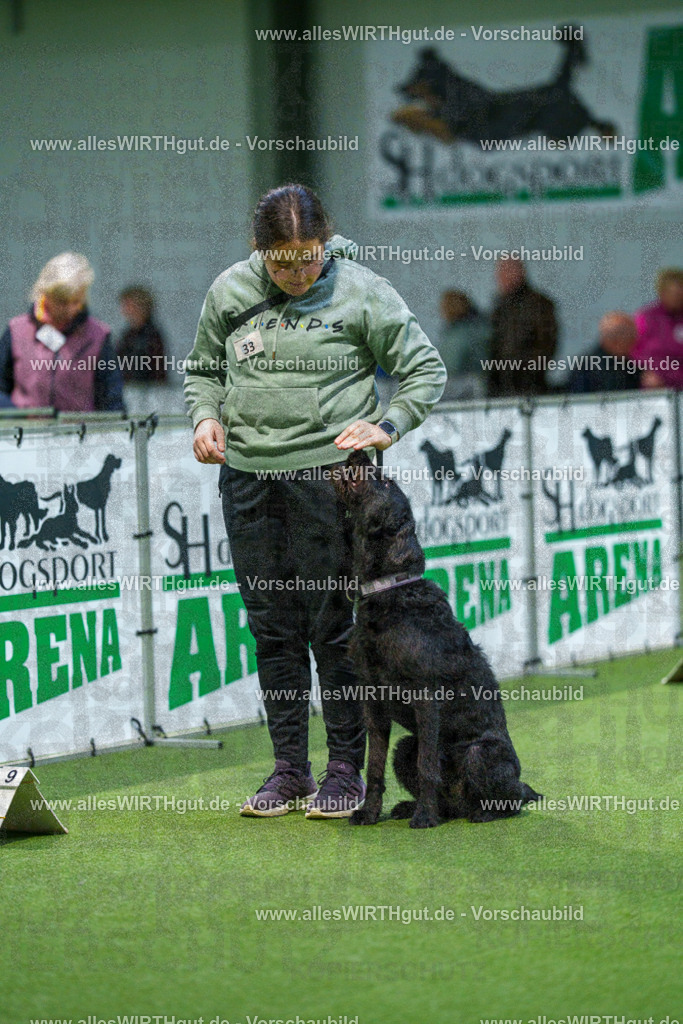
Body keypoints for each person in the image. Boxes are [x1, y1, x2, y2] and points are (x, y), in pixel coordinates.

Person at [184, 183, 446, 819]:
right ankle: (288, 772)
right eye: (282, 261)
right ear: (258, 249)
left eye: (308, 256)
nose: (297, 271)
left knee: (333, 629)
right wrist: (203, 418)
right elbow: (204, 371)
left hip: (330, 482)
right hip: (246, 480)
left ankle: (344, 772)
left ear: (324, 243)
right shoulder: (229, 291)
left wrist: (387, 425)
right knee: (271, 628)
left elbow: (424, 369)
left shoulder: (362, 290)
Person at [0, 252, 124, 412]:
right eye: (62, 302)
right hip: (26, 433)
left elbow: (112, 399)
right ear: (44, 294)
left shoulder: (99, 335)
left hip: (78, 434)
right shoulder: (17, 330)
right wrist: (14, 417)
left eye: (76, 301)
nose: (70, 309)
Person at [487, 258, 558, 397]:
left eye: (504, 273)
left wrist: (526, 372)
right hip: (501, 386)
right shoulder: (500, 307)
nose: (500, 279)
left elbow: (546, 346)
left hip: (529, 386)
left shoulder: (539, 305)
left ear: (519, 273)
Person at [631, 268, 683, 390]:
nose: (677, 297)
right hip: (656, 387)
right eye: (673, 293)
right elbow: (633, 351)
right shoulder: (646, 317)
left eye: (680, 292)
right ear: (661, 292)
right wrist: (643, 373)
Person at [437, 290, 490, 401]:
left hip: (464, 387)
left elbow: (452, 365)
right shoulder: (479, 327)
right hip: (478, 385)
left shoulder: (460, 335)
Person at [568, 312, 640, 393]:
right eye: (630, 336)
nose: (634, 340)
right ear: (615, 340)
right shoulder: (587, 367)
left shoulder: (627, 363)